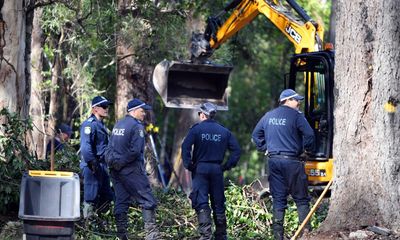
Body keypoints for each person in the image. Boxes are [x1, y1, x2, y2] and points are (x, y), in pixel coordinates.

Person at [251, 89, 315, 240]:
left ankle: (277, 236)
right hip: (292, 162)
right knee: (301, 199)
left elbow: (255, 135)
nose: (298, 102)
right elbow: (310, 134)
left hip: (274, 162)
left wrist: (265, 148)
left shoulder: (268, 116)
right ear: (287, 100)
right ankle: (305, 234)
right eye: (296, 100)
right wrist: (307, 151)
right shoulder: (296, 116)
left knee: (279, 199)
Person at [181, 102, 241, 240]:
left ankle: (205, 235)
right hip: (217, 169)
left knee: (201, 201)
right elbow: (236, 151)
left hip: (200, 169)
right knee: (218, 202)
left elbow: (185, 147)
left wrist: (189, 165)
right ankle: (221, 235)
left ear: (202, 114)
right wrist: (227, 166)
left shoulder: (196, 129)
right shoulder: (224, 131)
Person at [105, 98, 160, 240]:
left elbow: (109, 147)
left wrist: (113, 163)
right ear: (134, 111)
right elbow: (136, 151)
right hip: (131, 171)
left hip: (116, 170)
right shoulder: (137, 127)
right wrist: (122, 163)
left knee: (121, 200)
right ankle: (152, 236)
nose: (144, 114)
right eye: (142, 111)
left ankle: (121, 235)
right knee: (148, 200)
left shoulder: (119, 124)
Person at [80, 96, 114, 219]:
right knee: (91, 197)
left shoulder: (102, 125)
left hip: (102, 166)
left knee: (107, 195)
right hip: (92, 166)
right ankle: (88, 227)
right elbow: (85, 147)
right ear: (95, 109)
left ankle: (101, 223)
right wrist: (92, 164)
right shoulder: (89, 125)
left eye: (107, 107)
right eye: (104, 107)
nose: (106, 109)